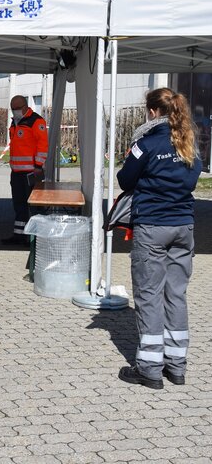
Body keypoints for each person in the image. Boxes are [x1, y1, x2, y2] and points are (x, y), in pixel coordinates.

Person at [117, 88, 202, 389]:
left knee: (149, 296)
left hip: (152, 225)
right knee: (176, 295)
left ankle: (150, 369)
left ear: (153, 112)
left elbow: (124, 179)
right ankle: (177, 367)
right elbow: (192, 179)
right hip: (184, 227)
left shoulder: (145, 144)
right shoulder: (189, 143)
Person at [1, 95, 48, 246]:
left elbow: (43, 145)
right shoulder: (15, 122)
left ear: (24, 107)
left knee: (34, 205)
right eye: (12, 108)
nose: (14, 111)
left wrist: (38, 166)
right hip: (16, 172)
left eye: (16, 108)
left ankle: (38, 237)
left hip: (31, 172)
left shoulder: (36, 121)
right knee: (19, 204)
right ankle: (19, 235)